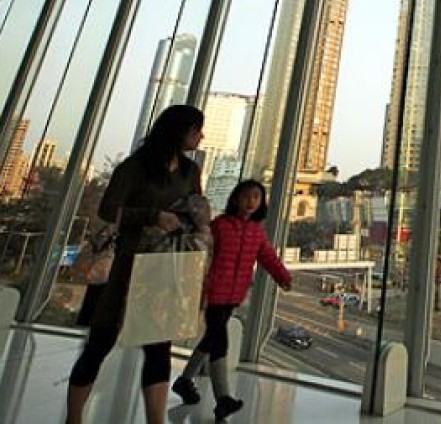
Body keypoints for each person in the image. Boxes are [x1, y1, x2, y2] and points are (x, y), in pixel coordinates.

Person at [67, 104, 205, 424]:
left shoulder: (189, 172)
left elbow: (195, 210)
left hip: (161, 270)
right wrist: (152, 215)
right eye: (196, 129)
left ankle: (155, 420)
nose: (200, 136)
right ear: (179, 131)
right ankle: (73, 418)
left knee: (159, 349)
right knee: (99, 345)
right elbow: (107, 209)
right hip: (124, 269)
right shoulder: (136, 166)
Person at [172, 179, 292, 420]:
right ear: (235, 198)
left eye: (256, 197)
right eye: (246, 196)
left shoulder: (257, 232)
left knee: (210, 340)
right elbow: (202, 250)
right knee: (220, 342)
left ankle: (184, 381)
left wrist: (282, 276)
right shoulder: (220, 225)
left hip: (234, 294)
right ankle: (223, 399)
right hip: (214, 292)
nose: (251, 201)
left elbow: (267, 257)